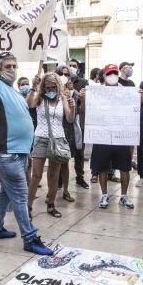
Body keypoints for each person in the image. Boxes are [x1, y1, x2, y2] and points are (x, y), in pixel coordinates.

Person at [0, 34, 54, 255]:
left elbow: (28, 106)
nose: (13, 69)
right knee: (21, 196)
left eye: (15, 65)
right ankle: (30, 238)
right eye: (8, 66)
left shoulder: (13, 91)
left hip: (17, 153)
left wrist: (34, 88)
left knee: (6, 192)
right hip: (5, 154)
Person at [83, 64, 135, 210]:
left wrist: (139, 97)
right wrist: (85, 99)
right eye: (109, 73)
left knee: (125, 167)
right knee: (102, 167)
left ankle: (124, 196)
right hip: (102, 136)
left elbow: (133, 111)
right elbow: (87, 113)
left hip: (121, 136)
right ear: (104, 76)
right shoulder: (96, 92)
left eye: (114, 73)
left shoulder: (127, 92)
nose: (112, 75)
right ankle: (104, 195)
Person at [26, 71, 74, 218]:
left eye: (53, 87)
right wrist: (34, 87)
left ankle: (51, 203)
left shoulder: (63, 98)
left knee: (54, 175)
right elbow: (29, 104)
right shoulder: (40, 98)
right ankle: (28, 206)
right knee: (36, 175)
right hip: (41, 138)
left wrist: (72, 108)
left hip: (58, 139)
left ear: (58, 86)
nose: (50, 90)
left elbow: (70, 119)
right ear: (43, 87)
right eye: (47, 87)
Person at [54, 64, 79, 204]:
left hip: (66, 129)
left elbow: (73, 114)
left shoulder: (71, 93)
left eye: (67, 74)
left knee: (65, 162)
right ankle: (54, 188)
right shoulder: (51, 92)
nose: (64, 77)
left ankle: (65, 190)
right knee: (53, 163)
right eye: (62, 74)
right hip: (54, 129)